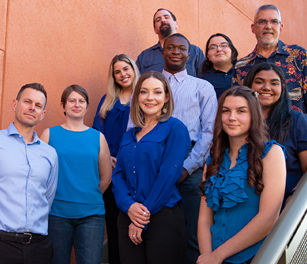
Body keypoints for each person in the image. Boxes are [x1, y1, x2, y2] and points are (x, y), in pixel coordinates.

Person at [0, 83, 58, 264]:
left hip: (38, 249)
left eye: (38, 105)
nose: (32, 108)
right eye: (27, 101)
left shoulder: (50, 154)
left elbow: (47, 198)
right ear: (15, 104)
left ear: (42, 114)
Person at [197, 86, 286, 264]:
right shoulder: (213, 160)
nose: (232, 117)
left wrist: (217, 256)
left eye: (241, 111)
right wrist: (207, 256)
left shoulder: (271, 153)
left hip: (255, 257)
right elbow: (204, 219)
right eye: (226, 111)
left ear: (253, 115)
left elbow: (268, 217)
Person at [112, 71, 191, 264]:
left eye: (157, 92)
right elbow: (118, 175)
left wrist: (143, 216)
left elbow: (169, 174)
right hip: (128, 216)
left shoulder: (175, 128)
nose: (150, 98)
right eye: (144, 92)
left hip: (162, 216)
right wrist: (129, 206)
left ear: (166, 97)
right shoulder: (129, 135)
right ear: (137, 96)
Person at [232, 4, 307, 143]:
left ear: (281, 27)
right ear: (253, 28)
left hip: (296, 138)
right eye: (262, 21)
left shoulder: (299, 55)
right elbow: (238, 106)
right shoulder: (242, 66)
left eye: (274, 21)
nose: (268, 26)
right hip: (256, 141)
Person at [161, 33, 217, 264]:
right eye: (170, 47)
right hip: (156, 159)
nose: (176, 51)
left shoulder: (202, 87)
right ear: (162, 51)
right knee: (159, 230)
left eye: (181, 48)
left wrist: (187, 167)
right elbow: (134, 126)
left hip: (190, 163)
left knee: (194, 231)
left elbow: (209, 132)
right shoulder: (147, 84)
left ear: (189, 54)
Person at [40, 85, 112, 264]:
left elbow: (106, 177)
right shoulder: (49, 134)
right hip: (56, 213)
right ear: (63, 105)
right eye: (72, 100)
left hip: (91, 215)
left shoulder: (98, 137)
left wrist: (87, 197)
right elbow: (40, 175)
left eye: (81, 101)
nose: (76, 104)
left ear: (87, 106)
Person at [244, 62, 307, 206]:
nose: (266, 87)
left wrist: (294, 198)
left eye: (274, 83)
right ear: (248, 87)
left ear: (283, 88)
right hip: (245, 204)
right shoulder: (239, 123)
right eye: (259, 82)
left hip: (286, 207)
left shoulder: (296, 120)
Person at [93, 54, 140, 264]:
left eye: (125, 69)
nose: (122, 74)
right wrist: (106, 158)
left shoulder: (143, 98)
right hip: (110, 172)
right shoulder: (107, 100)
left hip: (134, 171)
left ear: (133, 69)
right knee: (112, 226)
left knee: (134, 225)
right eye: (117, 72)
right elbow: (97, 132)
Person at [136, 8, 205, 76]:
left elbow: (205, 81)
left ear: (176, 24)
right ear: (155, 30)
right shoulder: (144, 56)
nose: (163, 20)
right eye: (158, 20)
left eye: (166, 17)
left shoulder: (195, 51)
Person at [200, 33, 238, 99]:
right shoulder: (202, 81)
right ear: (208, 56)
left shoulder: (244, 71)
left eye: (224, 45)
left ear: (233, 51)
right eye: (213, 47)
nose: (219, 49)